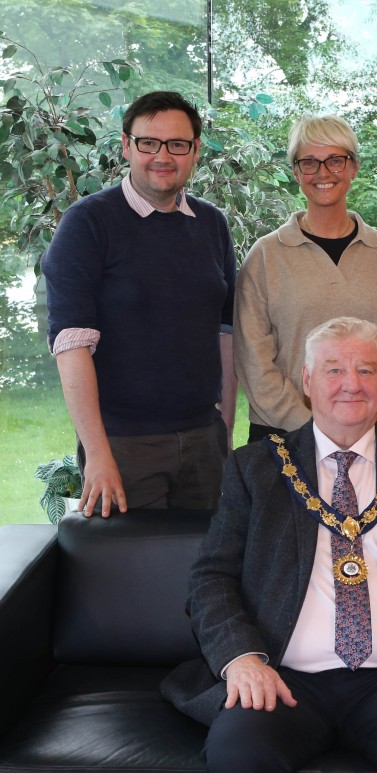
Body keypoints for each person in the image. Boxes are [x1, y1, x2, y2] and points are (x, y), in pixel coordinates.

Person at [161, 316, 377, 773]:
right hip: (282, 677)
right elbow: (212, 578)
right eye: (333, 369)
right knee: (238, 752)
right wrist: (242, 659)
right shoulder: (256, 470)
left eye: (366, 370)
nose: (351, 383)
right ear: (308, 382)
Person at [41, 90, 236, 517]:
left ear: (195, 151)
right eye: (149, 142)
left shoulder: (212, 225)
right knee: (132, 577)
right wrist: (97, 453)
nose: (162, 156)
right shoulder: (87, 224)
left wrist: (227, 426)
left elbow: (227, 332)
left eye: (177, 144)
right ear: (127, 146)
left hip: (205, 440)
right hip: (124, 445)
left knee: (205, 571)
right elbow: (71, 343)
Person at [234, 114, 377, 443]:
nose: (323, 173)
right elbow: (253, 362)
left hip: (371, 436)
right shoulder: (265, 257)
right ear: (295, 172)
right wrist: (314, 432)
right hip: (283, 440)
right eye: (310, 162)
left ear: (353, 167)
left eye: (335, 160)